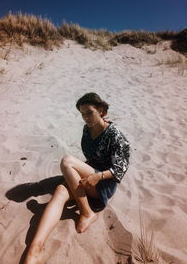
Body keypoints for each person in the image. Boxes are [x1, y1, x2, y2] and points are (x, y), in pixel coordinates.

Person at [24, 92, 130, 264]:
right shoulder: (87, 130)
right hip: (90, 174)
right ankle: (35, 249)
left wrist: (98, 175)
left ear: (101, 111)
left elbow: (122, 167)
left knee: (67, 161)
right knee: (59, 191)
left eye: (89, 112)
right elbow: (91, 157)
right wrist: (82, 173)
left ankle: (87, 213)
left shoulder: (115, 135)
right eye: (82, 114)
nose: (85, 118)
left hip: (104, 183)